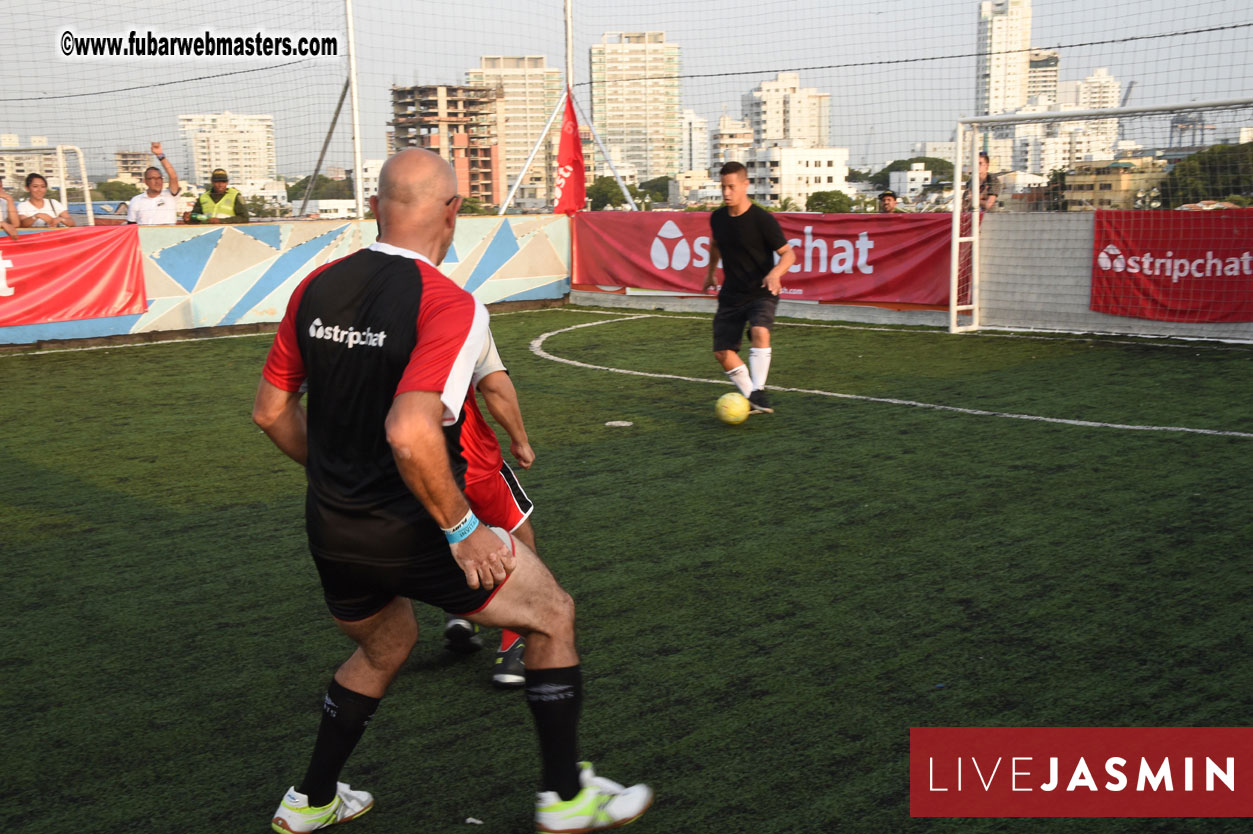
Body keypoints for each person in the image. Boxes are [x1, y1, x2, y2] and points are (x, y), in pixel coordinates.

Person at [252, 148, 651, 834]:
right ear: (451, 212)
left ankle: (311, 800)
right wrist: (463, 529)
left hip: (331, 528)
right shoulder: (449, 303)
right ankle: (564, 799)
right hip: (409, 529)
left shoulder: (315, 287)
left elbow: (269, 412)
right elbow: (411, 431)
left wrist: (337, 479)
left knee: (384, 644)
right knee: (552, 613)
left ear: (376, 206)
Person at [442, 329, 537, 688]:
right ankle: (512, 653)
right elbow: (494, 386)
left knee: (448, 530)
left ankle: (459, 613)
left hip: (402, 465)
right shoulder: (459, 313)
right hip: (470, 460)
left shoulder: (363, 314)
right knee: (519, 544)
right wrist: (520, 440)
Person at [701, 161, 795, 415]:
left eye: (731, 187)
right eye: (723, 187)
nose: (726, 193)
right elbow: (716, 245)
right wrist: (711, 272)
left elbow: (789, 255)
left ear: (745, 185)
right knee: (722, 352)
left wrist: (775, 273)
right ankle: (752, 395)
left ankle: (759, 391)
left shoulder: (762, 220)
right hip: (731, 293)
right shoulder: (718, 217)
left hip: (761, 290)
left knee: (760, 331)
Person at [125, 142, 181, 225]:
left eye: (159, 178)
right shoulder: (136, 201)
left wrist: (160, 155)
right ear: (146, 181)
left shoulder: (171, 195)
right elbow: (131, 226)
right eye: (153, 178)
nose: (157, 181)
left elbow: (173, 176)